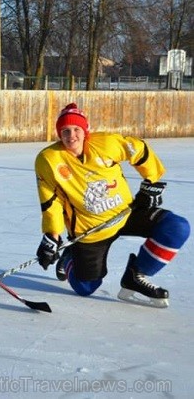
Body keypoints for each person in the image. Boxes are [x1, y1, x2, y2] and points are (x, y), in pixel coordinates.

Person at [35, 103, 190, 307]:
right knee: (86, 287)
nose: (71, 136)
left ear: (85, 131)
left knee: (176, 227)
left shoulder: (106, 143)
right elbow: (50, 200)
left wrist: (152, 182)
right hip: (91, 230)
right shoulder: (49, 160)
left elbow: (139, 150)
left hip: (126, 212)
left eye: (76, 130)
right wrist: (52, 235)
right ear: (59, 133)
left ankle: (136, 276)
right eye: (65, 131)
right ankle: (70, 256)